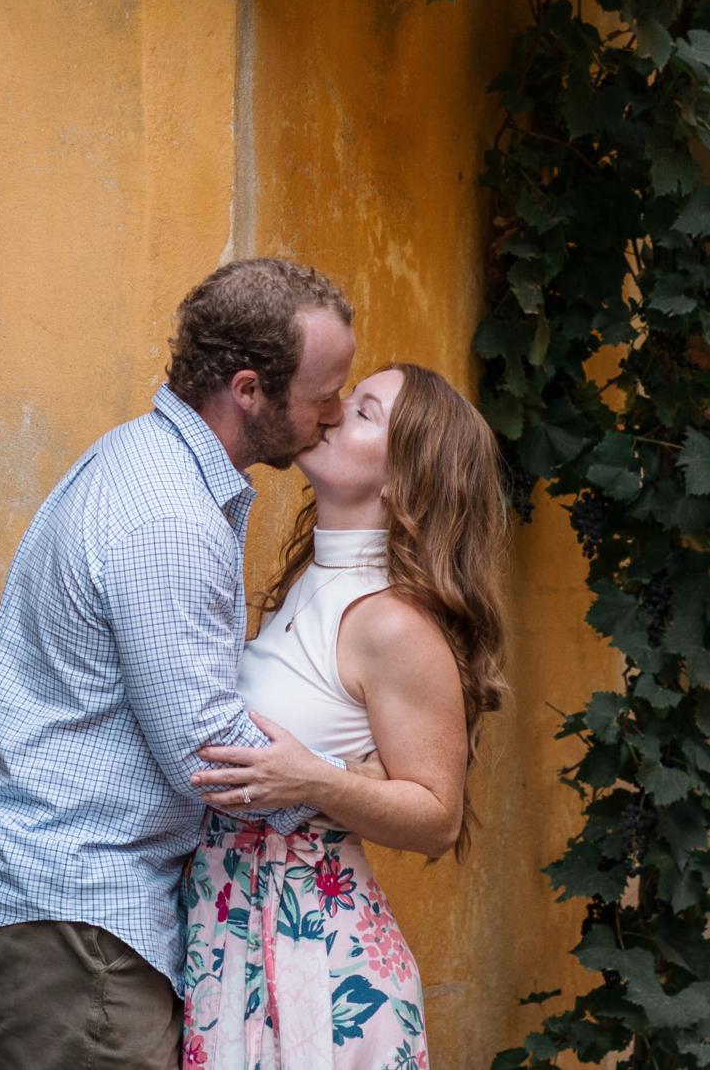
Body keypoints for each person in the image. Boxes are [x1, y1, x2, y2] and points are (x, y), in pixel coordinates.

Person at [0, 258, 364, 1070]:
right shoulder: (169, 516)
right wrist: (353, 786)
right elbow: (208, 755)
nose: (334, 414)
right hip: (78, 912)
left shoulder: (148, 464)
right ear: (248, 387)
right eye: (325, 391)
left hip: (75, 909)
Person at [180, 363, 508, 1069]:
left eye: (362, 412)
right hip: (236, 935)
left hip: (320, 967)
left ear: (402, 478)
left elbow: (438, 817)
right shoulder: (309, 580)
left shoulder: (392, 625)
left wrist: (315, 780)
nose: (330, 414)